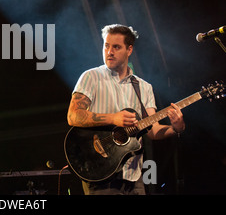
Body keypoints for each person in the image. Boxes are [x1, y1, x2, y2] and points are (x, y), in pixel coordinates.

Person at [67, 24, 185, 195]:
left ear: (129, 50)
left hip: (134, 177)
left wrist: (176, 128)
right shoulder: (90, 77)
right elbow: (73, 116)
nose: (109, 51)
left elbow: (153, 130)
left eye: (116, 47)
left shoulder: (144, 87)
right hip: (101, 172)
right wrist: (113, 119)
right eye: (106, 45)